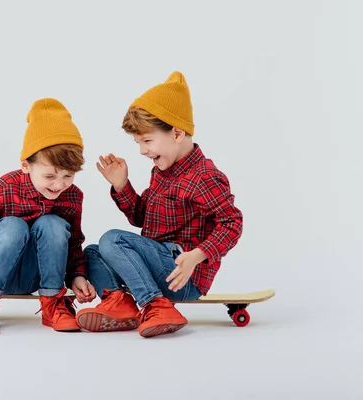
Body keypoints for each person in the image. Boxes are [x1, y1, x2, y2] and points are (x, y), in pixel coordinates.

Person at [76, 71, 244, 338]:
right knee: (93, 252)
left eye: (147, 141)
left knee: (112, 239)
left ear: (177, 133)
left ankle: (155, 304)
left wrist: (198, 255)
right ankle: (120, 303)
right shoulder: (162, 172)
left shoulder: (204, 176)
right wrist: (122, 185)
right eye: (138, 142)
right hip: (157, 265)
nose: (143, 150)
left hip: (182, 275)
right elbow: (143, 219)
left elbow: (232, 223)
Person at [0, 98, 96, 335]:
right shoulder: (5, 187)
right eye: (50, 176)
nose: (59, 185)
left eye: (68, 176)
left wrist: (77, 276)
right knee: (13, 226)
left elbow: (73, 243)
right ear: (26, 166)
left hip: (37, 277)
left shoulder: (72, 196)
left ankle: (53, 304)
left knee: (52, 224)